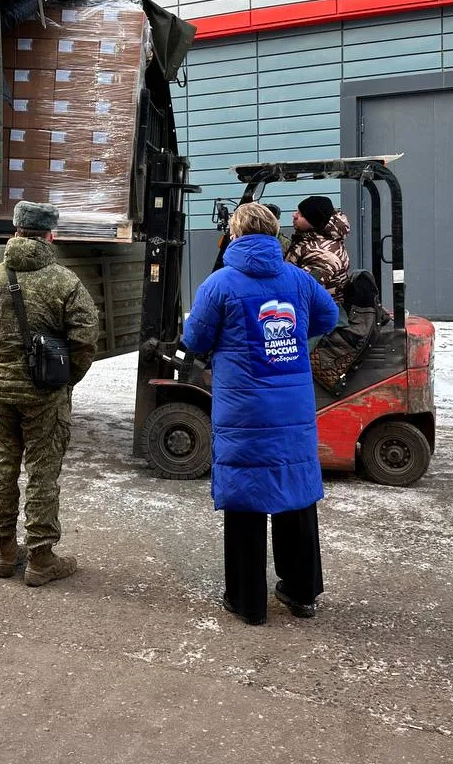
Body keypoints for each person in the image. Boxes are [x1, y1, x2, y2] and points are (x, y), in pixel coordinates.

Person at [181, 202, 340, 625]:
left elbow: (195, 337)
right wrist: (291, 338)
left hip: (243, 409)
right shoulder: (298, 279)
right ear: (274, 234)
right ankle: (301, 591)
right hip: (292, 405)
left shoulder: (219, 284)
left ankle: (248, 602)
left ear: (235, 235)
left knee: (246, 499)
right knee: (295, 492)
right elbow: (329, 315)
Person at [0, 201, 99, 587]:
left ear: (16, 231)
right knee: (42, 471)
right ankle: (41, 558)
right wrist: (66, 380)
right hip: (44, 395)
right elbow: (85, 339)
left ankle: (4, 551)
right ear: (49, 235)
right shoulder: (65, 282)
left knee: (3, 466)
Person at [287, 195, 351, 303]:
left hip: (321, 315)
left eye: (301, 214)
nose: (294, 215)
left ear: (313, 223)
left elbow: (303, 289)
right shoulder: (309, 240)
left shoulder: (322, 254)